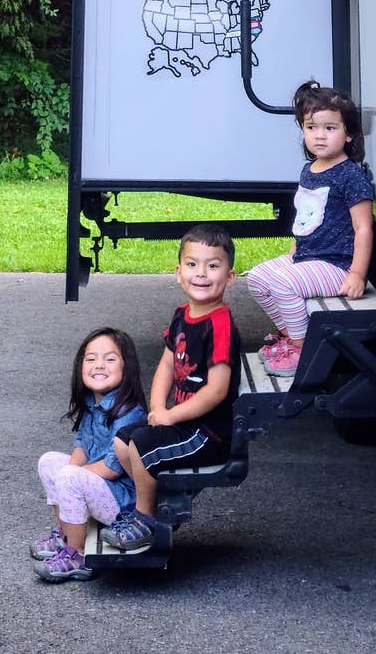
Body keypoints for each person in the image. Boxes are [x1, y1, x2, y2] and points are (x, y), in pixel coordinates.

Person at [101, 224, 242, 554]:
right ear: (178, 273)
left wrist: (171, 416)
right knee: (123, 441)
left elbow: (217, 391)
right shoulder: (182, 315)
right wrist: (157, 409)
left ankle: (145, 520)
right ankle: (150, 503)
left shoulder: (219, 324)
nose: (202, 274)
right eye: (192, 264)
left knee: (142, 446)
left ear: (230, 277)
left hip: (207, 434)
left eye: (213, 265)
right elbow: (166, 365)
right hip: (183, 423)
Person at [245, 81, 375, 377]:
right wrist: (294, 249)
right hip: (308, 256)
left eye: (330, 128)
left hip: (337, 265)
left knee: (283, 284)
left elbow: (363, 228)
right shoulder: (310, 169)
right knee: (258, 278)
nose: (319, 135)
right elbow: (306, 216)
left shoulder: (350, 176)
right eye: (311, 127)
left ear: (349, 133)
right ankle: (292, 337)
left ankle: (305, 349)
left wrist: (357, 274)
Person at [31, 327, 149, 582]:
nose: (99, 365)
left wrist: (70, 478)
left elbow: (112, 468)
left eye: (110, 359)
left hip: (122, 504)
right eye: (91, 358)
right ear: (80, 366)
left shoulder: (129, 410)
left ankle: (78, 555)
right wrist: (67, 475)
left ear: (126, 367)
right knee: (49, 461)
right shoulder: (91, 402)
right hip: (99, 488)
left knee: (69, 477)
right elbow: (82, 445)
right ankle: (66, 534)